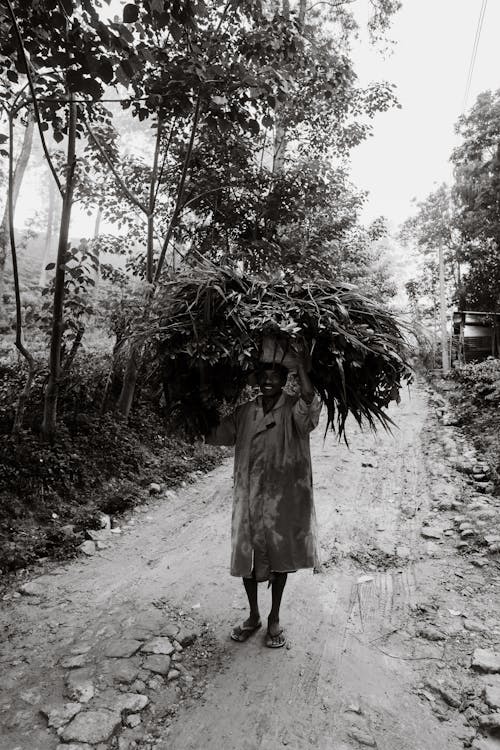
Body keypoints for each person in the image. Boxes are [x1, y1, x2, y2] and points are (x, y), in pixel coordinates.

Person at [205, 347, 322, 649]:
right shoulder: (245, 412)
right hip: (248, 496)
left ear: (285, 378)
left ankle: (274, 617)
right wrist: (194, 412)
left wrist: (302, 368)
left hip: (282, 499)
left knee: (280, 558)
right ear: (257, 378)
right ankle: (254, 615)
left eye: (276, 375)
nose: (268, 380)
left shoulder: (295, 410)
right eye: (264, 375)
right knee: (247, 557)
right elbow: (218, 433)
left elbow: (310, 407)